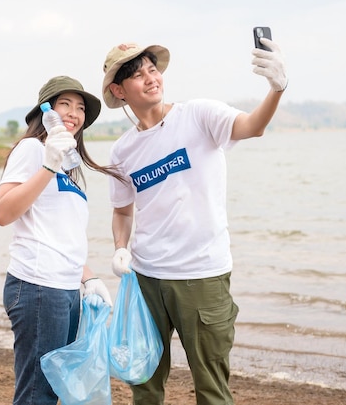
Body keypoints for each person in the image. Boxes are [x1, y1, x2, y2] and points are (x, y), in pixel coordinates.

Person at [101, 38, 287, 405]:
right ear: (119, 91)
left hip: (202, 276)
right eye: (138, 75)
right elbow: (123, 211)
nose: (150, 78)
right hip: (146, 280)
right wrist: (121, 249)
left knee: (212, 388)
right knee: (145, 382)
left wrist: (276, 89)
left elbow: (252, 126)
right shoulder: (122, 151)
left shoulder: (199, 115)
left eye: (152, 69)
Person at [0, 75, 124, 405]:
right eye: (65, 103)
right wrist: (48, 165)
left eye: (80, 108)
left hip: (65, 290)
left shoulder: (69, 167)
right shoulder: (32, 150)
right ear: (45, 110)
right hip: (38, 286)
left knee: (54, 389)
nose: (74, 113)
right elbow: (2, 212)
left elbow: (61, 234)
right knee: (38, 391)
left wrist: (89, 277)